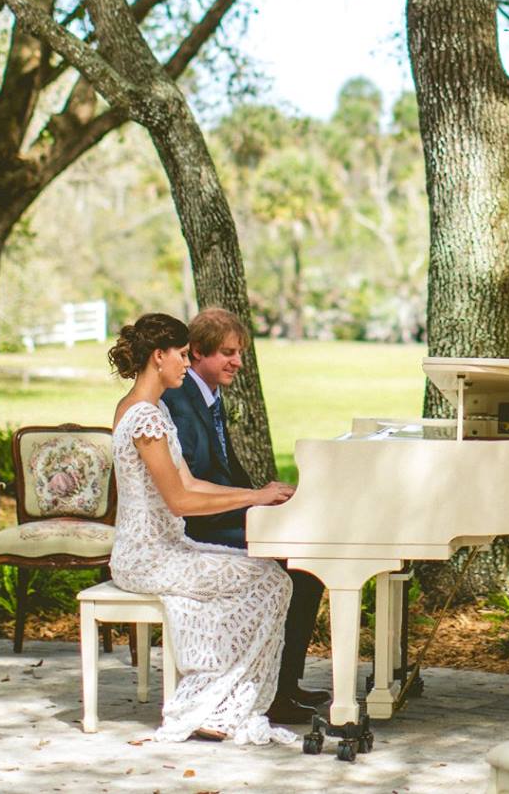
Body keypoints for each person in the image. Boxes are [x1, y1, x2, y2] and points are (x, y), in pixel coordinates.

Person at [107, 312, 298, 745]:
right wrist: (254, 497)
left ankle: (223, 698)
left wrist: (258, 493)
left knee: (270, 578)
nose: (184, 363)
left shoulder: (142, 409)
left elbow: (191, 482)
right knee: (271, 583)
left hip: (167, 548)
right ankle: (211, 702)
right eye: (179, 355)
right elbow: (179, 500)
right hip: (148, 558)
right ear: (159, 356)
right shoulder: (146, 419)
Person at [162, 307, 328, 722]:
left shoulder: (208, 396)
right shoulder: (180, 404)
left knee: (304, 561)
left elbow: (226, 470)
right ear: (196, 352)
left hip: (221, 516)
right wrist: (255, 497)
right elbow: (193, 481)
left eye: (239, 353)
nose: (237, 362)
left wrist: (271, 498)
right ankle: (275, 692)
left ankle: (281, 684)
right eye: (227, 353)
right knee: (299, 571)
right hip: (197, 528)